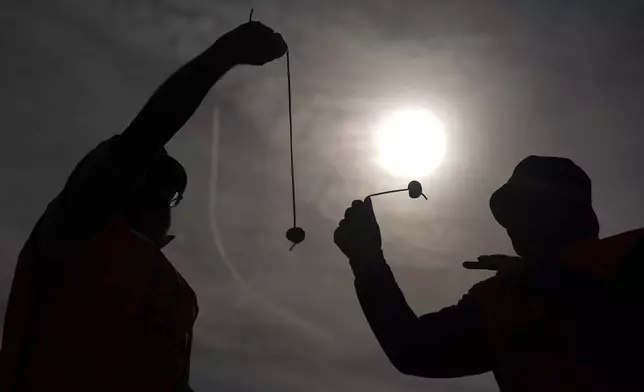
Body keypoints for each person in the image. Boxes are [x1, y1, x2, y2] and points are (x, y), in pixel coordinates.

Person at [0, 21, 287, 392]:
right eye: (145, 178)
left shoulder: (173, 287)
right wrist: (223, 56)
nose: (157, 195)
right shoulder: (77, 230)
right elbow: (144, 136)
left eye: (168, 192)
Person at [335, 156, 644, 392]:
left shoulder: (628, 252)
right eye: (509, 215)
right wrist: (367, 262)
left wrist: (547, 278)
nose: (512, 224)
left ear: (566, 210)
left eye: (526, 207)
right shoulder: (498, 297)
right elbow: (414, 349)